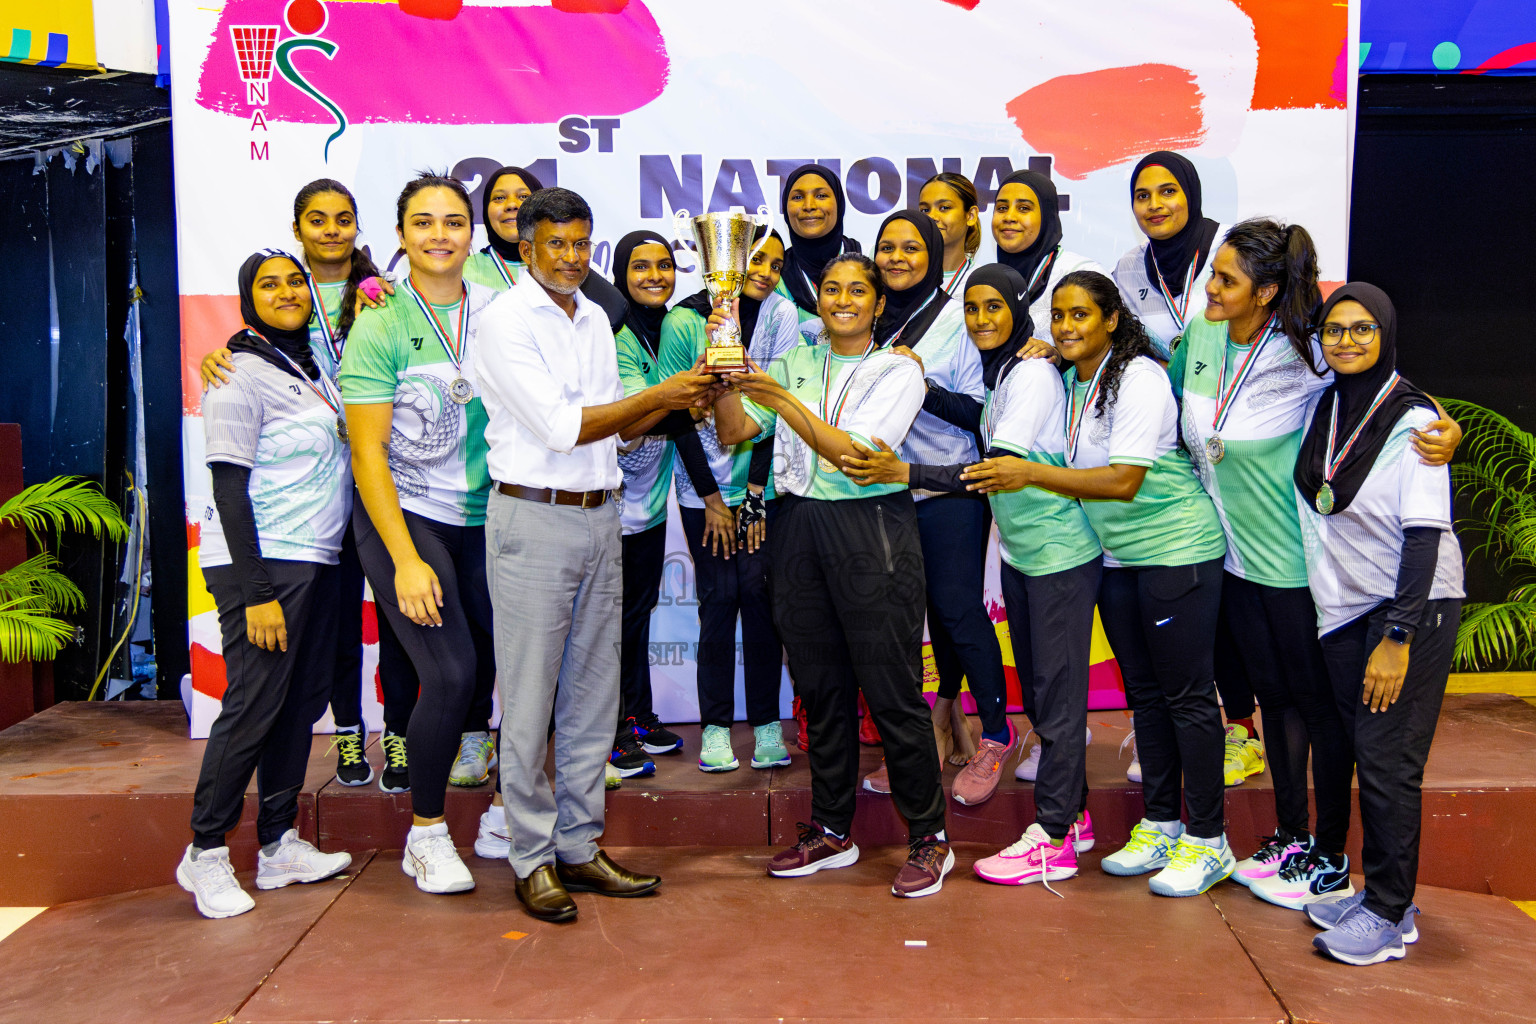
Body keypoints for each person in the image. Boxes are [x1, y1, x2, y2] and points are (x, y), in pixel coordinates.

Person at [473, 187, 717, 922]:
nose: (573, 259)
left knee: (591, 695)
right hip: (533, 517)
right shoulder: (505, 321)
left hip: (601, 515)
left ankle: (579, 846)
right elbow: (559, 426)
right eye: (558, 245)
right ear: (525, 248)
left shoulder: (592, 321)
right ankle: (530, 857)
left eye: (583, 244)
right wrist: (665, 392)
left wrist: (679, 404)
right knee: (529, 699)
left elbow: (615, 431)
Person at [963, 270, 1233, 897]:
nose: (1067, 327)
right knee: (1145, 693)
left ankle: (1209, 838)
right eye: (1058, 316)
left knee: (1188, 698)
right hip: (1116, 558)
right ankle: (1164, 823)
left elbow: (1123, 482)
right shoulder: (1069, 376)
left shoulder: (1137, 375)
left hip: (1176, 550)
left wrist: (1027, 472)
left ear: (1112, 318)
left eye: (1082, 315)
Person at [843, 264, 1102, 885]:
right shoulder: (1012, 370)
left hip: (1059, 552)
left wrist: (905, 475)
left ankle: (1057, 838)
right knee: (1043, 694)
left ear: (1018, 310)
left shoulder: (1032, 374)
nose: (982, 319)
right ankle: (1080, 818)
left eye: (995, 307)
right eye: (974, 309)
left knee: (1057, 701)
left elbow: (996, 471)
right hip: (1024, 551)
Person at [713, 253, 953, 898]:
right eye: (831, 288)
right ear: (817, 299)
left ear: (878, 304)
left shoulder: (897, 370)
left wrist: (782, 401)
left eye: (857, 291)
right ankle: (831, 829)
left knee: (893, 691)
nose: (842, 299)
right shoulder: (794, 361)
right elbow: (736, 431)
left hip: (869, 531)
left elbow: (854, 455)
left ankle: (930, 837)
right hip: (797, 531)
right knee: (821, 693)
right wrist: (727, 374)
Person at [199, 179, 419, 793]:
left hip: (386, 473)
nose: (331, 229)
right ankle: (348, 731)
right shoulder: (284, 296)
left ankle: (396, 734)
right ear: (298, 229)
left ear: (357, 226)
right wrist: (219, 355)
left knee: (402, 613)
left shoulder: (383, 295)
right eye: (316, 219)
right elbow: (261, 361)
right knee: (338, 619)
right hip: (315, 493)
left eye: (342, 218)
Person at [1291, 284, 1464, 966]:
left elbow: (1425, 536)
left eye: (1363, 329)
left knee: (1391, 763)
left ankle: (1393, 912)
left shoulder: (1416, 419)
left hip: (1409, 607)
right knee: (1368, 754)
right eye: (1335, 330)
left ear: (1386, 333)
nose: (1347, 341)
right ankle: (1377, 894)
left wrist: (1399, 636)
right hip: (1344, 608)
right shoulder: (1325, 403)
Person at [178, 250, 353, 919]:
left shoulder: (312, 368)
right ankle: (205, 852)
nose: (284, 292)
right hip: (260, 563)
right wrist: (253, 591)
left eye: (293, 283)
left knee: (299, 703)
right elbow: (226, 484)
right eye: (267, 284)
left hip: (316, 557)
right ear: (248, 298)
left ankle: (278, 846)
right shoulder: (238, 373)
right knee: (253, 704)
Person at [340, 172, 499, 895]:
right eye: (424, 222)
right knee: (452, 674)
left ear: (474, 234)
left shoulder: (500, 312)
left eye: (454, 222)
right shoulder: (379, 319)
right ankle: (427, 835)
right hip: (406, 522)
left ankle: (502, 811)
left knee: (503, 673)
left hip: (491, 518)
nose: (441, 234)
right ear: (401, 235)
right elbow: (366, 450)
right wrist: (403, 559)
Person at [856, 210, 1014, 807]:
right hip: (879, 492)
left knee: (957, 613)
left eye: (911, 248)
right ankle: (916, 750)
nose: (898, 258)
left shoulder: (957, 316)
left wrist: (920, 383)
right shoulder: (864, 316)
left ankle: (997, 734)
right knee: (899, 626)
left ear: (932, 252)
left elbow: (983, 416)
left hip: (948, 490)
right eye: (887, 248)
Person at [1112, 150, 1245, 785]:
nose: (1156, 204)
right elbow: (1126, 347)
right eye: (1144, 194)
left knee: (1243, 592)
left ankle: (1240, 726)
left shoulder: (1230, 249)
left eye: (1168, 191)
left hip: (1241, 436)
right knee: (1198, 596)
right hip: (1174, 448)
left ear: (1191, 193)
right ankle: (1197, 725)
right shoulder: (1127, 268)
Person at [658, 229, 801, 772]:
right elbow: (679, 415)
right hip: (704, 495)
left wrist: (758, 493)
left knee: (761, 606)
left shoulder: (781, 317)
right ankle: (716, 728)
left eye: (775, 263)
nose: (764, 270)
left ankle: (767, 724)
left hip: (762, 488)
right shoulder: (684, 322)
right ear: (729, 263)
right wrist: (712, 496)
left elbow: (777, 405)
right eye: (755, 260)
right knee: (718, 605)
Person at [608, 228, 686, 774]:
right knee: (605, 624)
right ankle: (609, 730)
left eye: (663, 264)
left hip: (650, 505)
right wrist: (687, 393)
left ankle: (635, 714)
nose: (654, 275)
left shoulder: (676, 328)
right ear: (620, 273)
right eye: (640, 266)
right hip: (605, 505)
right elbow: (632, 420)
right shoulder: (611, 333)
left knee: (634, 617)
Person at [992, 169, 1103, 356]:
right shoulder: (989, 280)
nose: (1009, 217)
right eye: (1002, 208)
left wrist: (1059, 355)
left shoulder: (1081, 273)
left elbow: (1113, 347)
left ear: (1047, 215)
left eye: (1024, 208)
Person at [776, 163, 862, 343]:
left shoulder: (868, 263)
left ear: (839, 203)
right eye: (798, 197)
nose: (809, 205)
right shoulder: (774, 274)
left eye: (821, 195)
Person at [463, 165, 542, 291]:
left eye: (523, 197)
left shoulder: (564, 268)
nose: (511, 205)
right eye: (499, 198)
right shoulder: (461, 272)